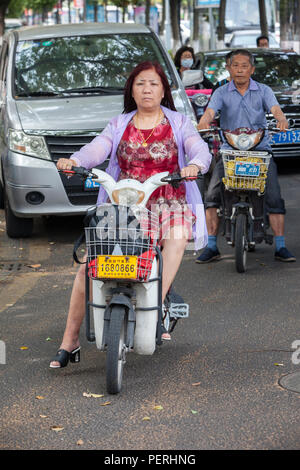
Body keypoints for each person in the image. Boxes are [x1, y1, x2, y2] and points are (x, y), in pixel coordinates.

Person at [49, 61, 212, 367]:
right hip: (124, 205)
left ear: (163, 89)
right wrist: (74, 159)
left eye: (153, 84)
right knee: (88, 265)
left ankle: (155, 307)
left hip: (168, 203)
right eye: (140, 84)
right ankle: (69, 342)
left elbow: (198, 148)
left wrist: (196, 165)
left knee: (177, 236)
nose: (146, 89)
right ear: (132, 91)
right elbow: (98, 148)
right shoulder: (119, 123)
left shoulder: (179, 122)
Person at [196, 49, 296, 264]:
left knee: (274, 197)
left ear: (251, 69)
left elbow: (275, 109)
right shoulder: (221, 92)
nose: (240, 70)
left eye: (244, 66)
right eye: (235, 65)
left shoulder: (264, 90)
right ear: (228, 68)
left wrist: (281, 119)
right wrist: (205, 121)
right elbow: (210, 112)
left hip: (260, 150)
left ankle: (280, 246)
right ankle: (212, 245)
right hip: (229, 150)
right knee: (212, 195)